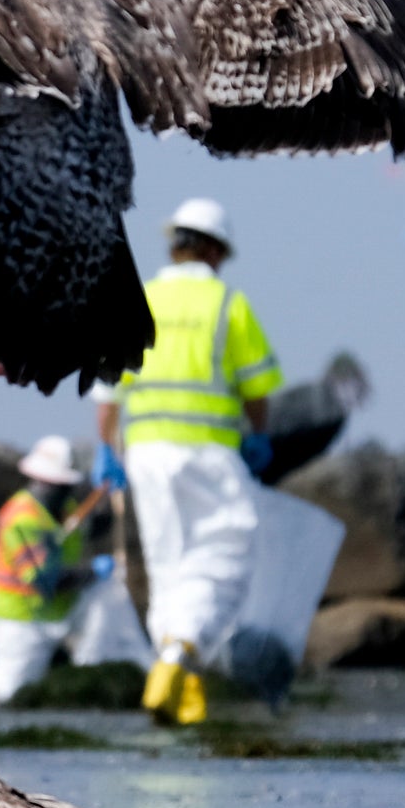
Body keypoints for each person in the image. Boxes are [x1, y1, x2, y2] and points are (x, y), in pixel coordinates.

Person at [99, 197, 282, 726]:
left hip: (146, 454)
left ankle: (177, 682)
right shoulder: (227, 304)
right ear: (213, 249)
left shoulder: (141, 297)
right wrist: (261, 437)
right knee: (228, 553)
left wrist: (110, 454)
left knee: (168, 565)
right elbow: (257, 386)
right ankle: (178, 654)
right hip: (208, 450)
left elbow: (108, 391)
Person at [0, 437, 140, 701]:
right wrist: (92, 572)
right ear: (37, 479)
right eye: (56, 484)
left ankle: (113, 664)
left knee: (108, 592)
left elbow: (91, 526)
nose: (63, 491)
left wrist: (109, 495)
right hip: (20, 614)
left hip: (62, 607)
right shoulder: (21, 520)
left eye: (66, 485)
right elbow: (43, 582)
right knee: (7, 692)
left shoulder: (66, 509)